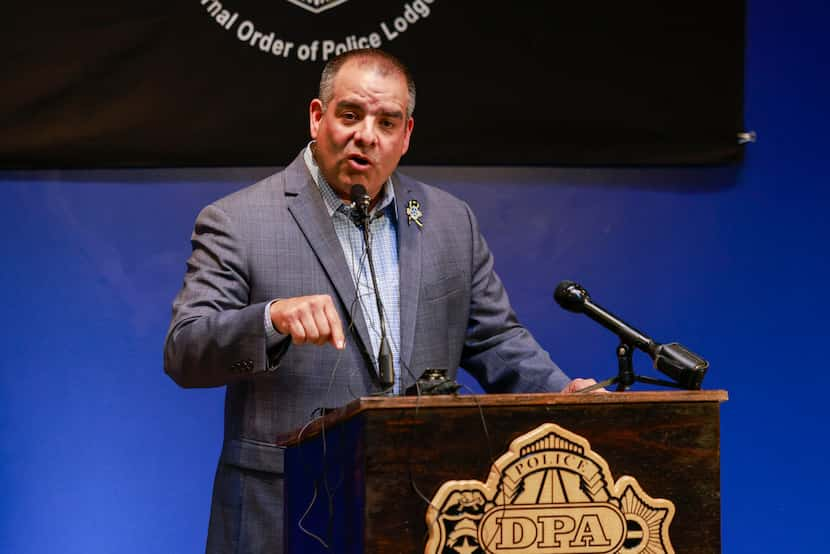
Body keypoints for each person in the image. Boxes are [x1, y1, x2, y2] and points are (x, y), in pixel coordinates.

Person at [164, 48, 597, 553]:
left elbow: (497, 339)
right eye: (350, 115)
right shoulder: (238, 221)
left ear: (406, 135)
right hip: (282, 516)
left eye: (387, 122)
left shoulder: (449, 221)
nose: (366, 135)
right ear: (316, 117)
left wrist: (566, 395)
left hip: (420, 511)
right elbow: (185, 351)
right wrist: (270, 320)